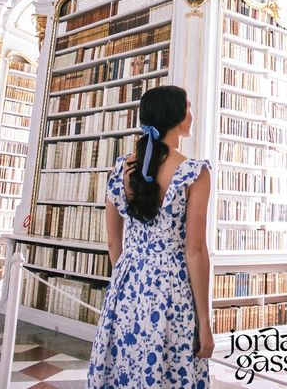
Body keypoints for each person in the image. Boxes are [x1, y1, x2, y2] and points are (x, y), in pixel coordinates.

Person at [88, 84, 214, 388]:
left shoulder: (122, 167)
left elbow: (113, 242)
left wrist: (129, 276)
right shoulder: (194, 172)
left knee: (127, 370)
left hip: (128, 284)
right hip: (173, 290)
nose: (192, 115)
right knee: (172, 371)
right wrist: (205, 322)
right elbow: (194, 251)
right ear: (178, 116)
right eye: (189, 107)